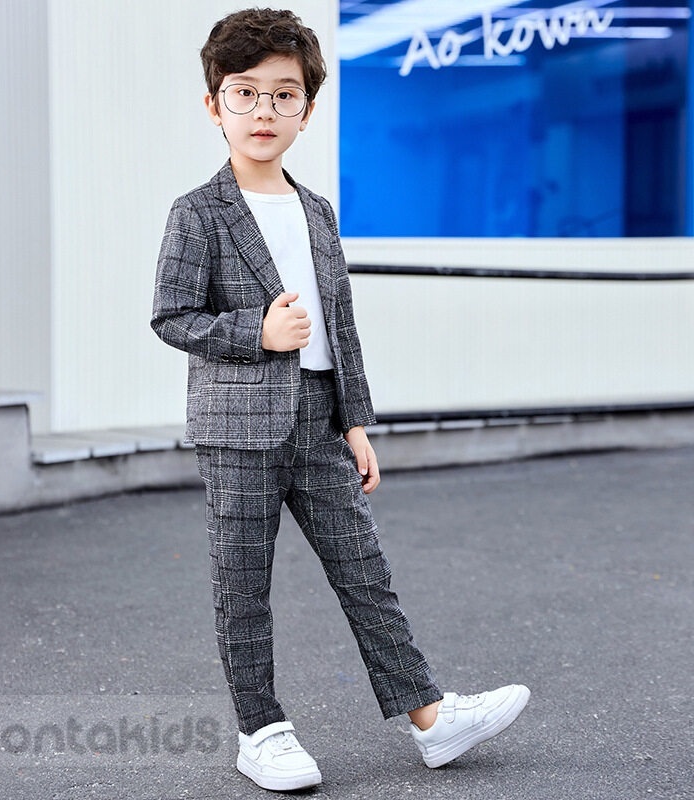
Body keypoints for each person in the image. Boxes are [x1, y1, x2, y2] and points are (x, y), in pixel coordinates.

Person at [151, 8, 530, 792]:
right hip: (237, 430)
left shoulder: (318, 211)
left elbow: (340, 325)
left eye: (283, 94)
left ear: (308, 110)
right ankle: (261, 730)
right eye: (245, 92)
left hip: (319, 419)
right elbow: (171, 316)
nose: (263, 110)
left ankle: (430, 718)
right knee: (243, 585)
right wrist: (256, 331)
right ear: (214, 105)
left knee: (365, 571)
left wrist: (356, 421)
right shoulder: (197, 211)